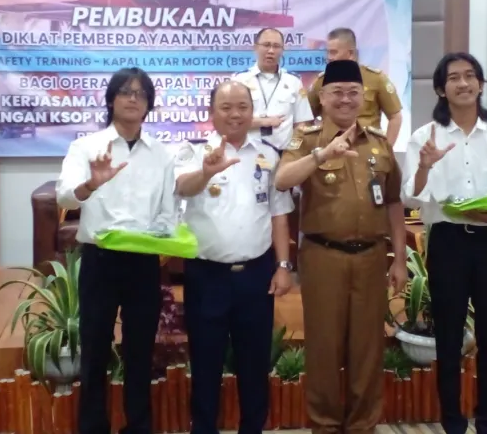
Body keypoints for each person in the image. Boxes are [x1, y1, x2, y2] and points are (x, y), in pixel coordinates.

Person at [275, 60, 408, 434]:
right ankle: (326, 425)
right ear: (322, 97)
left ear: (363, 97)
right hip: (323, 257)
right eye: (337, 92)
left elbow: (393, 202)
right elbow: (282, 180)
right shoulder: (306, 137)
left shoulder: (379, 143)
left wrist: (399, 259)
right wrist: (322, 155)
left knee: (368, 349)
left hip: (371, 258)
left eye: (353, 92)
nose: (346, 99)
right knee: (324, 347)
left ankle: (363, 425)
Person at [401, 52, 487, 434]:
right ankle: (452, 423)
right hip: (449, 242)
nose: (463, 83)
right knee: (449, 336)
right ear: (441, 89)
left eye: (470, 76)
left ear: (480, 84)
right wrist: (425, 166)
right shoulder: (425, 137)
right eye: (454, 77)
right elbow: (410, 197)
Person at [56, 67, 177, 434]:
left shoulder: (161, 154)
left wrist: (160, 238)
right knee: (95, 351)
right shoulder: (86, 147)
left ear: (149, 105)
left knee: (140, 352)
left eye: (141, 94)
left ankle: (138, 426)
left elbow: (168, 212)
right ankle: (93, 427)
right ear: (111, 100)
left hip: (143, 264)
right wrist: (91, 184)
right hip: (100, 261)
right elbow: (64, 196)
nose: (132, 99)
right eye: (125, 92)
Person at [174, 80, 294, 434]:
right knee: (205, 362)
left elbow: (279, 214)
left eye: (243, 106)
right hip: (206, 276)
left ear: (252, 112)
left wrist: (283, 266)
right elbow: (182, 187)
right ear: (212, 112)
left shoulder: (268, 154)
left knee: (254, 364)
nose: (235, 114)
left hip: (256, 275)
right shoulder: (194, 151)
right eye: (226, 107)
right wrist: (206, 172)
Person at [307, 28, 404, 146]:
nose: (329, 57)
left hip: (368, 149)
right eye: (328, 52)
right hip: (330, 149)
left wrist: (386, 151)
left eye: (334, 52)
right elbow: (305, 118)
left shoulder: (376, 79)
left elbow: (395, 117)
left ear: (351, 54)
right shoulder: (321, 82)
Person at [232, 27, 314, 155]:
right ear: (255, 47)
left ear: (282, 50)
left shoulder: (294, 82)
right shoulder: (239, 80)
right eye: (266, 45)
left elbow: (302, 123)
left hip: (284, 155)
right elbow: (232, 121)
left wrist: (293, 153)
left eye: (276, 46)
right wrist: (263, 122)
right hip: (247, 153)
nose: (271, 51)